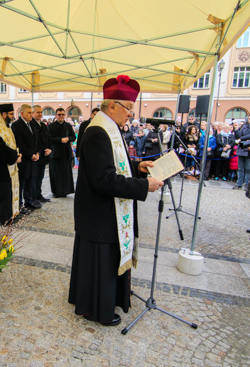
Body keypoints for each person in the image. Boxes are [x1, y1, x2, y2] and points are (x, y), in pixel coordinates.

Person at [68, 75, 164, 326]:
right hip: (100, 212)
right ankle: (96, 309)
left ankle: (109, 299)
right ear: (112, 106)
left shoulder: (107, 127)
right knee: (100, 263)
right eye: (128, 108)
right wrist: (144, 186)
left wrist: (138, 166)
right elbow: (104, 179)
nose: (131, 114)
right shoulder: (99, 132)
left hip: (102, 211)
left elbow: (114, 163)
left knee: (105, 261)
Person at [0, 104, 21, 225]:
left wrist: (17, 154)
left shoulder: (6, 126)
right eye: (11, 114)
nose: (13, 116)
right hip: (1, 168)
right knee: (2, 194)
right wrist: (15, 157)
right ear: (3, 114)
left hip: (7, 167)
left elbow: (11, 144)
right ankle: (4, 217)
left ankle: (9, 214)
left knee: (7, 193)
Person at [12, 104, 41, 211]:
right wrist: (30, 154)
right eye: (29, 113)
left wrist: (37, 152)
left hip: (33, 159)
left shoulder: (32, 124)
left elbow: (36, 141)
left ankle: (29, 201)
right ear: (22, 113)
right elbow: (19, 143)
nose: (31, 115)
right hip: (24, 160)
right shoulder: (16, 125)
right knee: (22, 183)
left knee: (31, 182)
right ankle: (19, 205)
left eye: (32, 113)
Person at [48, 108, 75, 198]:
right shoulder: (51, 126)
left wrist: (68, 139)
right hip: (55, 153)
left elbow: (73, 136)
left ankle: (65, 191)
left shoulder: (68, 125)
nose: (61, 116)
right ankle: (57, 192)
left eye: (62, 114)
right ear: (56, 115)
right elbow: (49, 138)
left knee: (66, 173)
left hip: (66, 152)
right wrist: (60, 139)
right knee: (56, 174)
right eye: (59, 114)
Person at [31, 105, 52, 203]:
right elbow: (35, 141)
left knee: (40, 177)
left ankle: (38, 194)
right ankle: (33, 196)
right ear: (33, 113)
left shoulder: (43, 125)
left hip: (44, 156)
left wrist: (49, 149)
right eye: (38, 112)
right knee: (34, 178)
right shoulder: (31, 124)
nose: (40, 114)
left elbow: (48, 138)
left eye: (41, 112)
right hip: (36, 155)